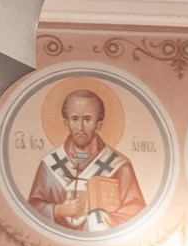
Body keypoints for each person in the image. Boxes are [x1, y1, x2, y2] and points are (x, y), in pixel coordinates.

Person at [25, 88, 148, 232]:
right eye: (75, 119)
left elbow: (136, 211)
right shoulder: (50, 164)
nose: (80, 127)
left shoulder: (119, 165)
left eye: (87, 119)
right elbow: (32, 209)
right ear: (66, 122)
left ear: (99, 124)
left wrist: (102, 219)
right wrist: (59, 210)